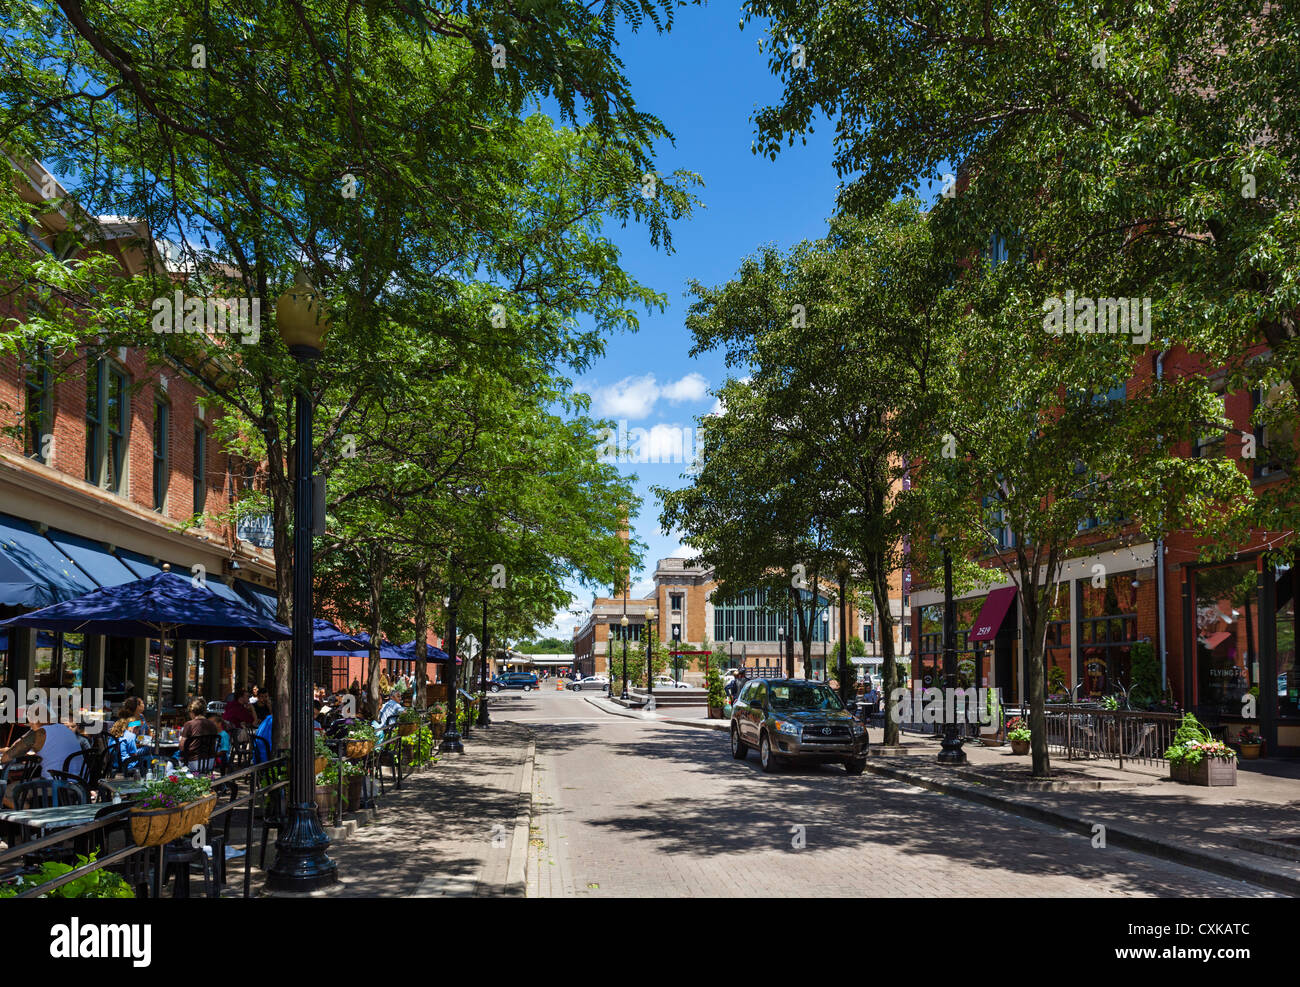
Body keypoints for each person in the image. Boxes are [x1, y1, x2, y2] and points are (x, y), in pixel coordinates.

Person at [0, 702, 84, 783]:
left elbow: (6, 758)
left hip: (56, 785)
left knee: (9, 791)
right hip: (79, 783)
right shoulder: (64, 728)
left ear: (32, 721)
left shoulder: (39, 734)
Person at [179, 698, 220, 766]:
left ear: (192, 711)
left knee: (170, 763)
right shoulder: (213, 725)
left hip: (193, 762)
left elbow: (181, 747)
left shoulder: (189, 724)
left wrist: (180, 739)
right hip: (210, 762)